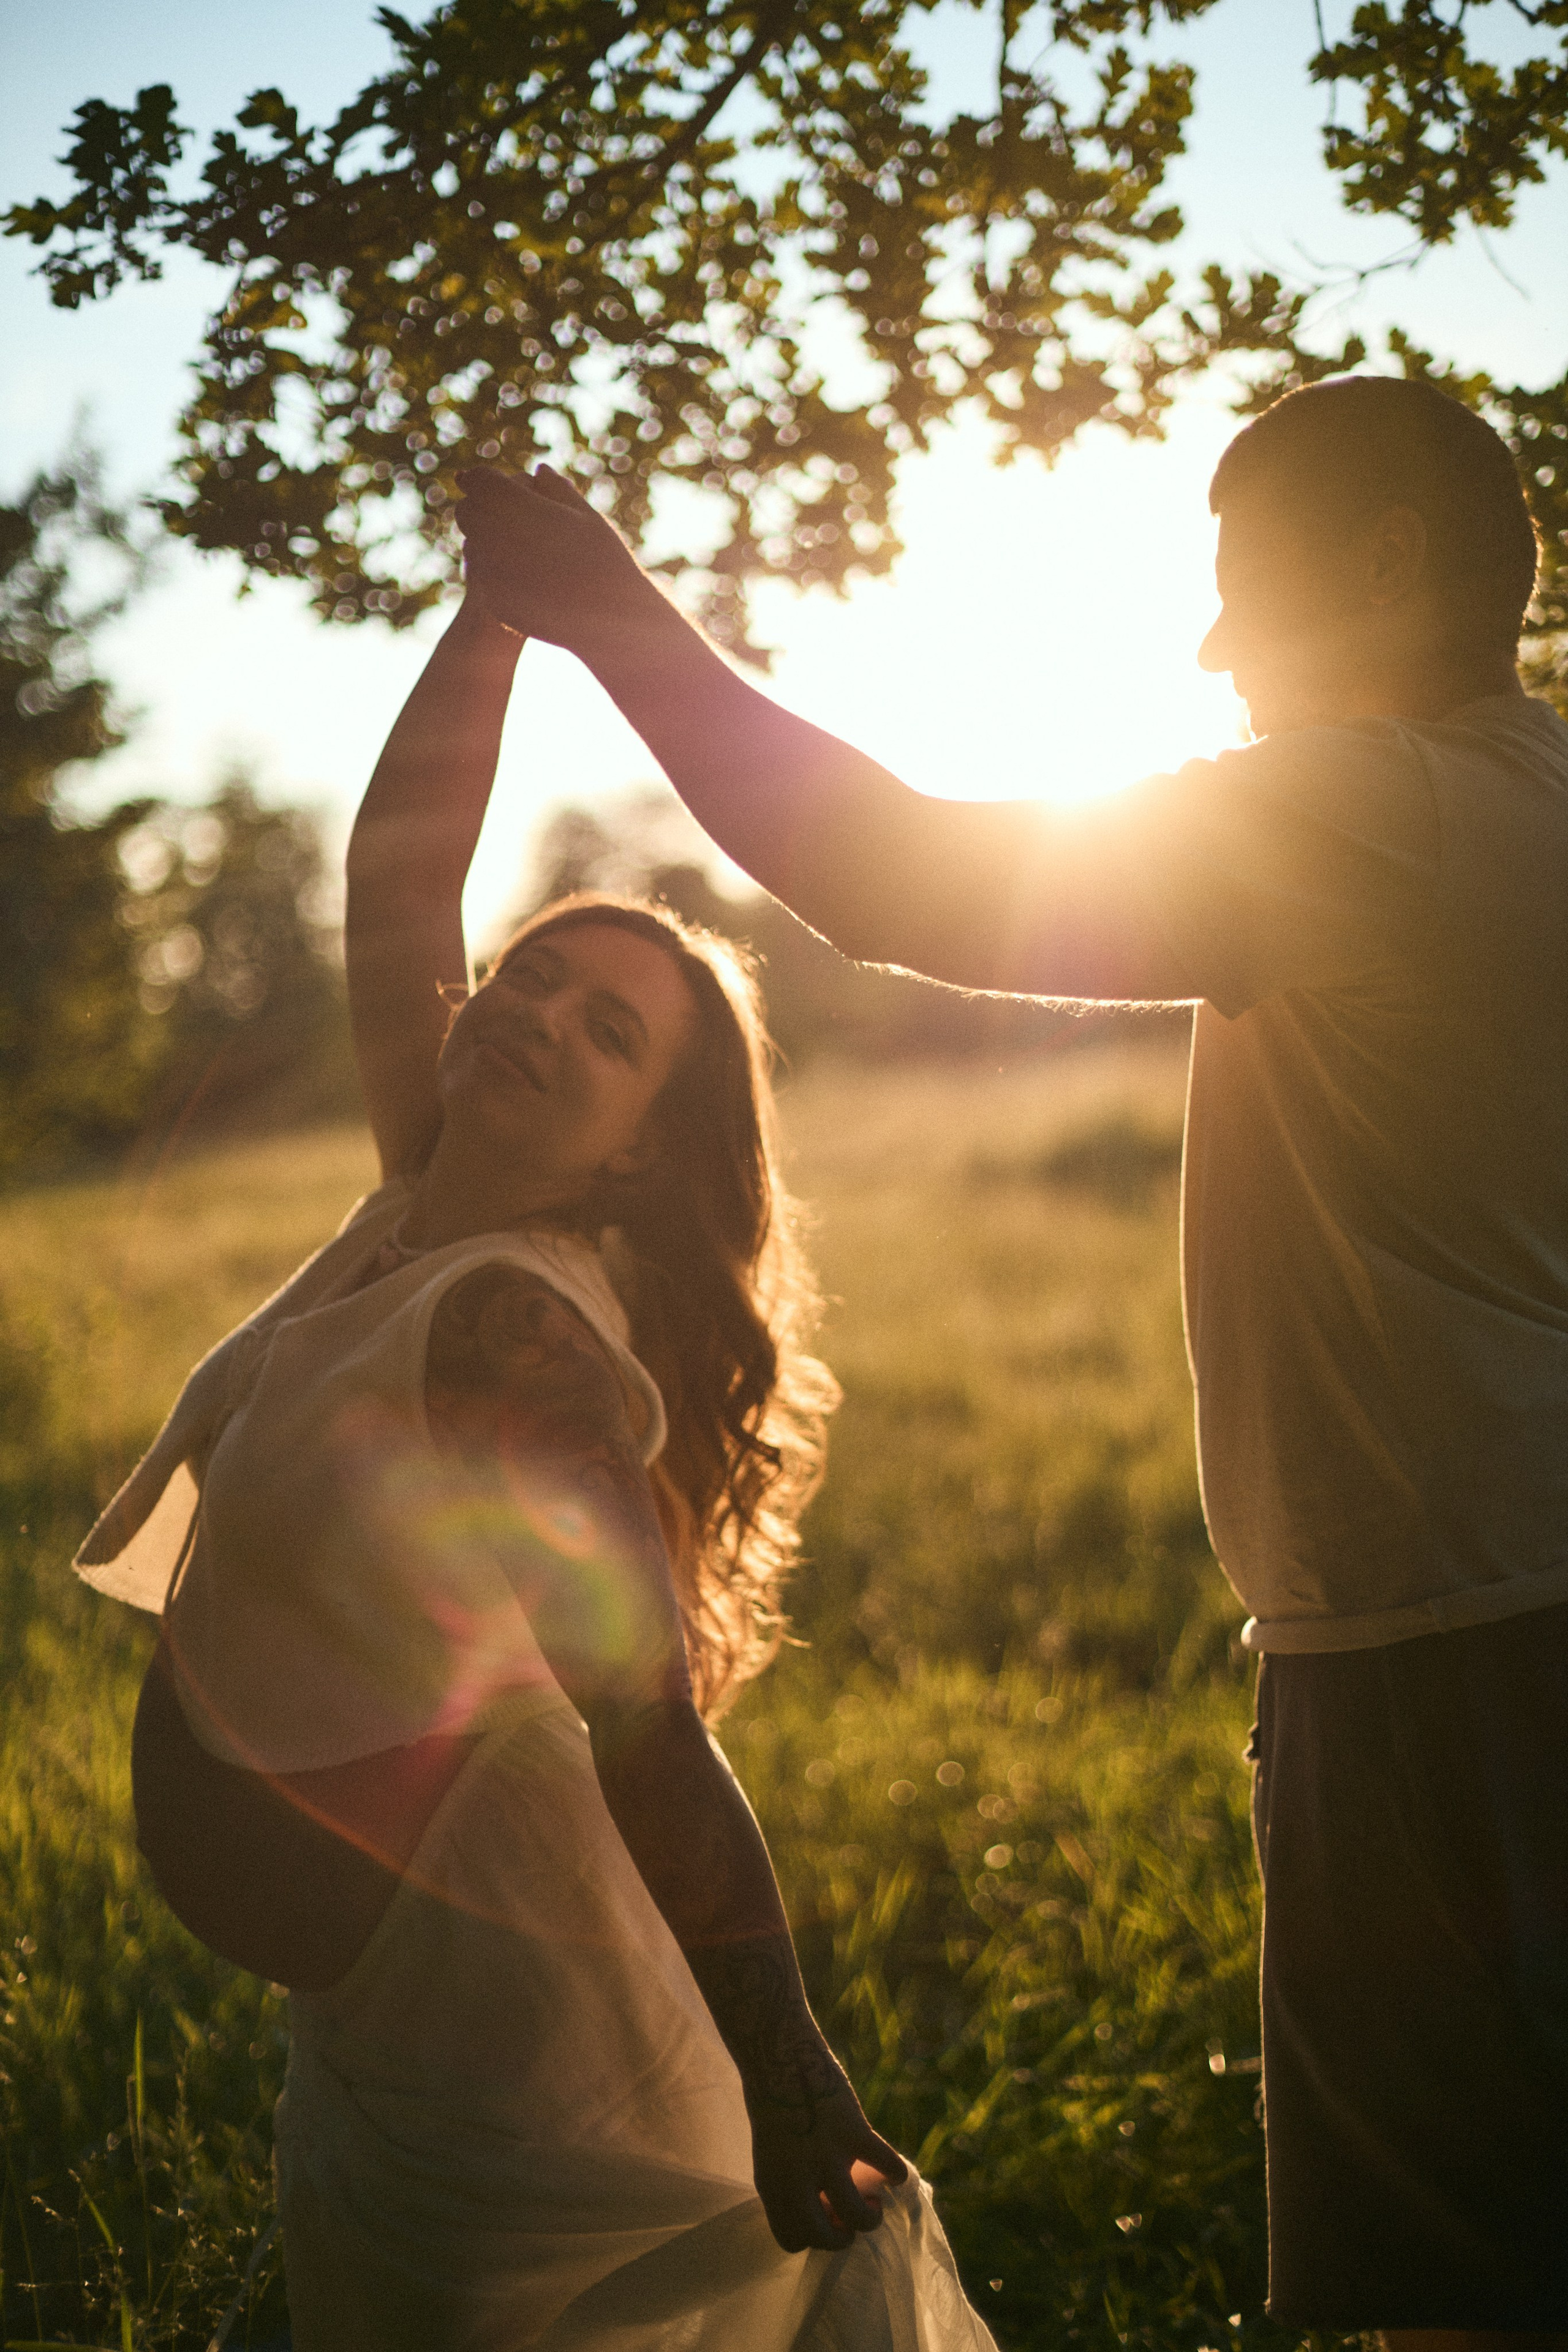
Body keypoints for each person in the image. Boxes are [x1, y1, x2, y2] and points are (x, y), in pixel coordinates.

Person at [454, 375, 1568, 2344]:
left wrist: (608, 607)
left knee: (1464, 2283)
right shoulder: (1524, 797)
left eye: (1246, 586)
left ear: (1391, 562)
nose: (1213, 648)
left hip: (1466, 1651)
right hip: (1461, 1612)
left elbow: (898, 872)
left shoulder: (1379, 807)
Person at [75, 588, 997, 2350]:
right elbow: (399, 879)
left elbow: (646, 1725)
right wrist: (492, 620)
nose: (546, 1018)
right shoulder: (422, 1204)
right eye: (537, 977)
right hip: (388, 2036)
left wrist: (790, 2072)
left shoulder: (517, 1329)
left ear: (641, 1152)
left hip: (520, 2056)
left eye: (610, 1035)